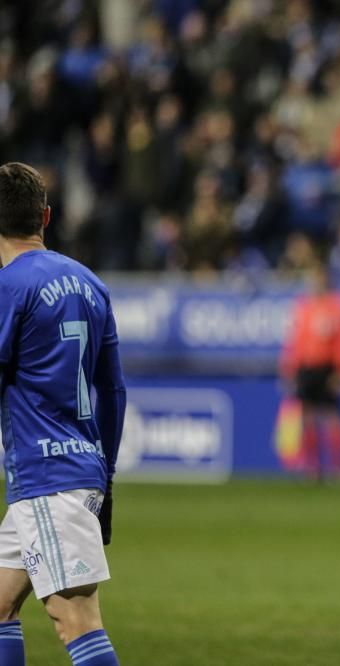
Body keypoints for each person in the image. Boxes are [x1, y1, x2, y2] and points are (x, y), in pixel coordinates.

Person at [0, 162, 126, 666]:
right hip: (75, 471)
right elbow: (113, 391)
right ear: (46, 216)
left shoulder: (10, 286)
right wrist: (108, 477)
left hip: (46, 477)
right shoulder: (91, 283)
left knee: (76, 621)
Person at [279, 261, 340, 481]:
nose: (316, 283)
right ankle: (312, 469)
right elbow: (294, 340)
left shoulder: (338, 306)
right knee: (308, 418)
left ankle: (338, 469)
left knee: (333, 418)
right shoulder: (303, 306)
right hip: (306, 368)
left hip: (328, 368)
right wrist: (290, 368)